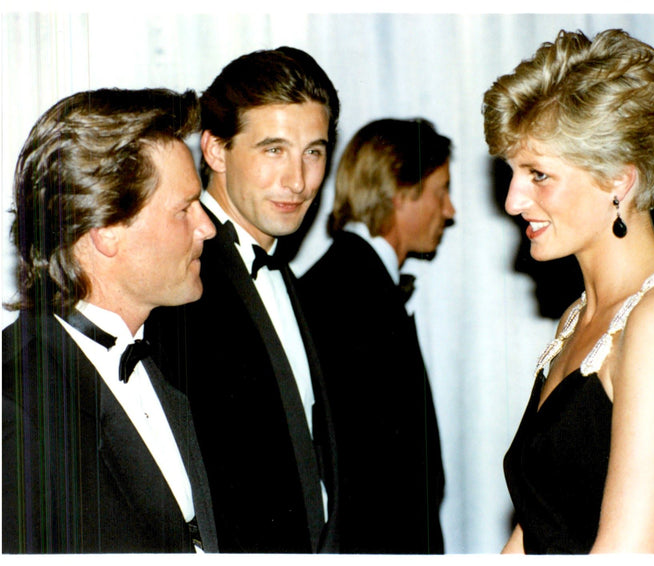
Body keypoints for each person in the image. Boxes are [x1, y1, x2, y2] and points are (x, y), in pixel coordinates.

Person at [482, 29, 654, 554]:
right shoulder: (579, 319)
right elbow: (535, 531)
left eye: (538, 175)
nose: (512, 200)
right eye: (511, 173)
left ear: (618, 183)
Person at [2, 88, 219, 553]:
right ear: (105, 232)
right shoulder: (16, 402)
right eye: (184, 209)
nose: (207, 227)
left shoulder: (165, 362)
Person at [145, 47, 340, 553]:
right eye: (273, 150)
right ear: (214, 151)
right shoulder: (178, 277)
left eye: (313, 152)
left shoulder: (284, 272)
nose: (297, 181)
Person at [299, 118, 455, 554]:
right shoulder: (349, 293)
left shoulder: (350, 281)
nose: (450, 211)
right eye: (441, 190)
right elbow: (368, 479)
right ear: (400, 192)